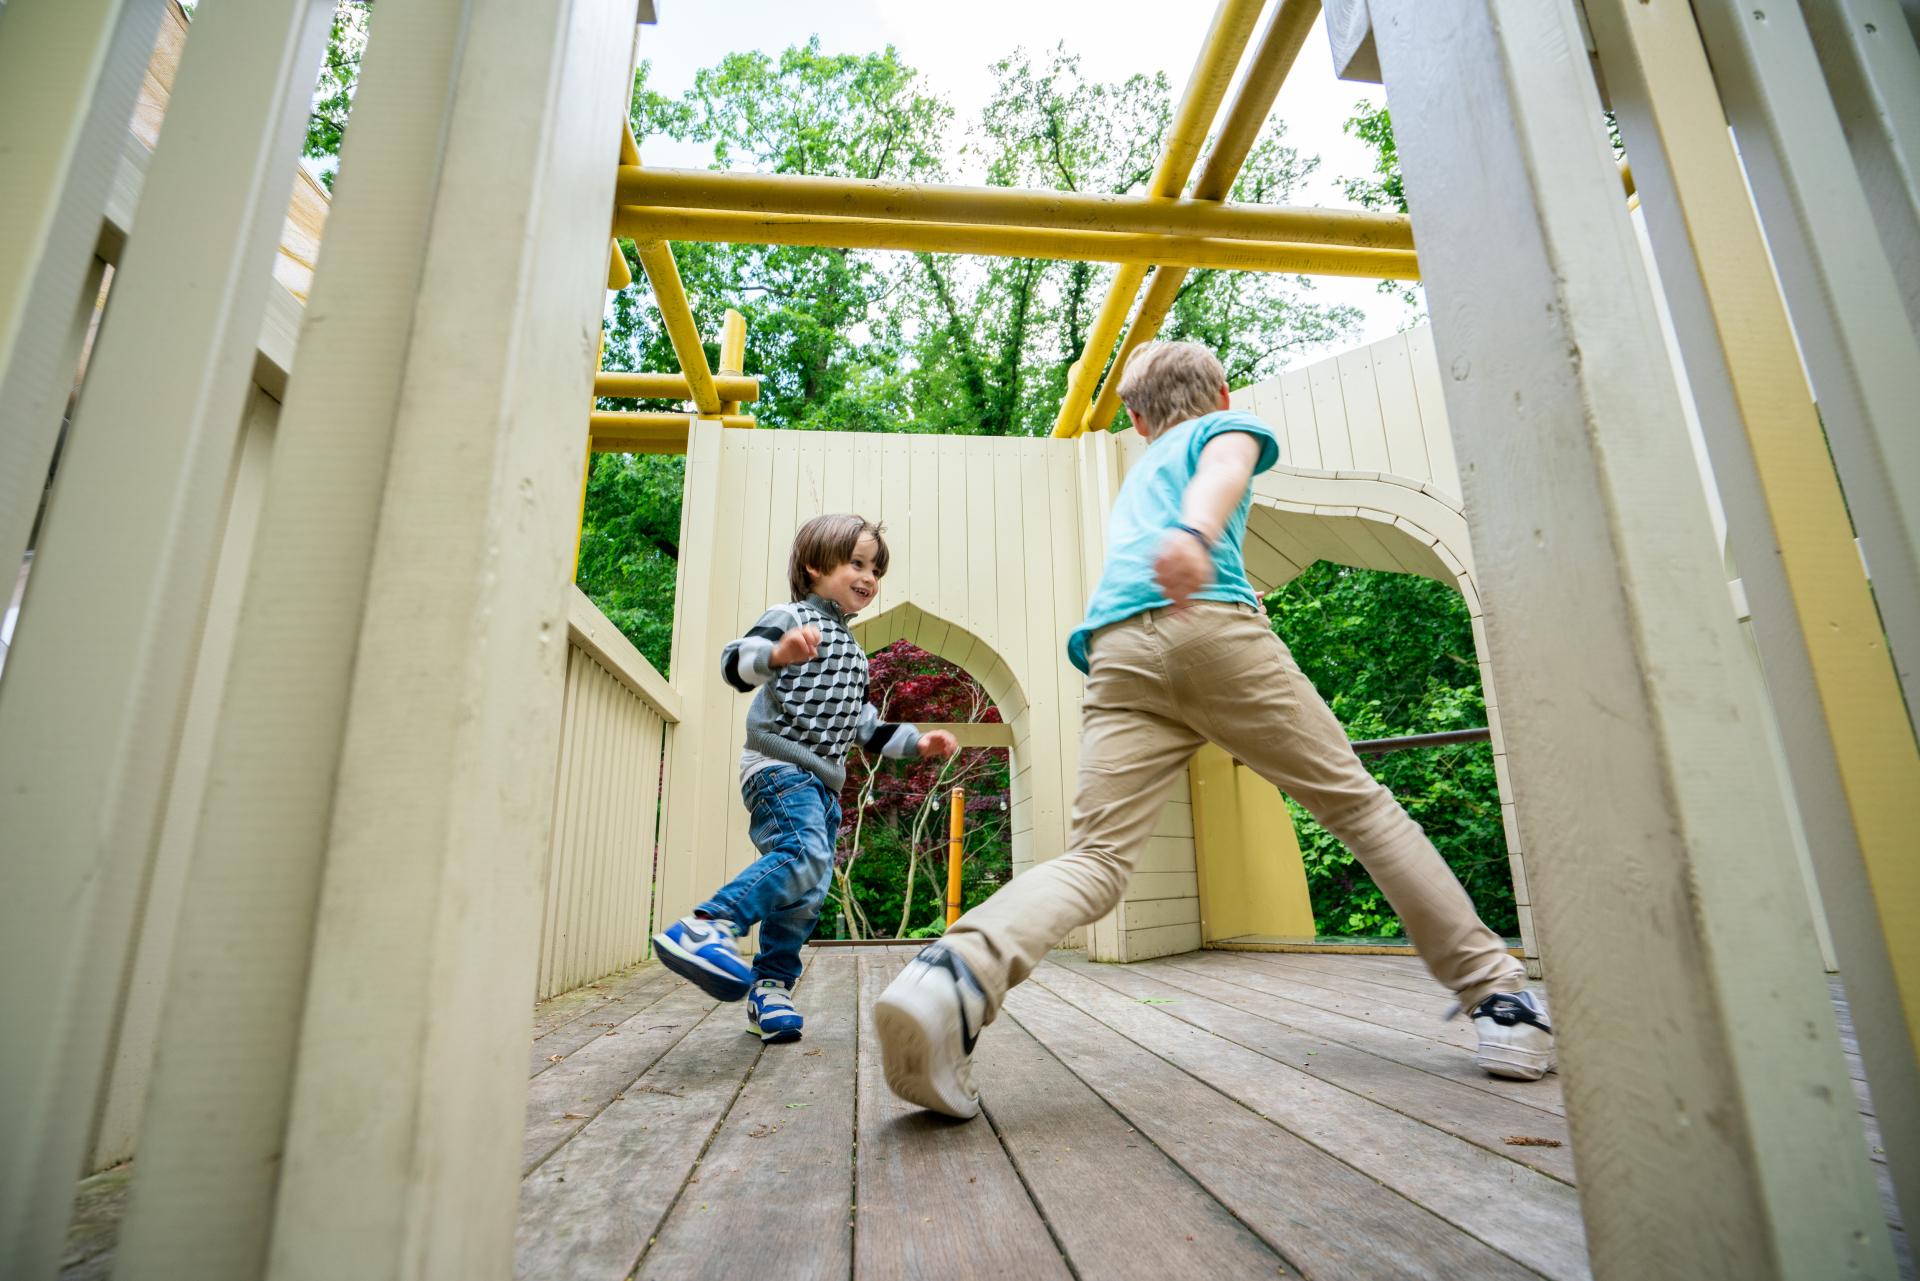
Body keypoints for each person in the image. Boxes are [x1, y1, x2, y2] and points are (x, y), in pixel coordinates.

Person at [874, 341, 1551, 1117]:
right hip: (1206, 627)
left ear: (1134, 418)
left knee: (1096, 860)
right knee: (1358, 807)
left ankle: (954, 974)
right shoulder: (1221, 431)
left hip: (1117, 654)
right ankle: (1498, 997)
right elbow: (1225, 471)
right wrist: (1197, 536)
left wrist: (1203, 558)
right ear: (1222, 393)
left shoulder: (1135, 478)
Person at [652, 514, 956, 1043]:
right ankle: (710, 924)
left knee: (807, 891)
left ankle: (770, 987)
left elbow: (864, 725)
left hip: (823, 782)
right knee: (803, 854)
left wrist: (917, 743)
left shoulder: (854, 653)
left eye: (876, 568)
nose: (869, 576)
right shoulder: (791, 617)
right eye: (856, 563)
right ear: (816, 566)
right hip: (779, 765)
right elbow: (734, 662)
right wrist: (776, 654)